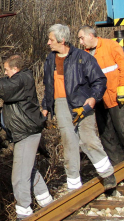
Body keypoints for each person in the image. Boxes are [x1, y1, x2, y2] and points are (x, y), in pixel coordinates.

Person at [41, 24, 116, 191]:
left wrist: (93, 98)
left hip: (81, 103)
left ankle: (107, 173)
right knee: (69, 142)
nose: (48, 43)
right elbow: (49, 85)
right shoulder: (49, 59)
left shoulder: (83, 57)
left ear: (62, 40)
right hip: (60, 104)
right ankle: (74, 183)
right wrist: (46, 105)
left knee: (88, 139)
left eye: (51, 39)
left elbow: (99, 81)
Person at [0, 55, 52, 219]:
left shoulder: (20, 80)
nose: (5, 73)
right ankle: (46, 201)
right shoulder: (21, 79)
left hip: (26, 133)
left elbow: (2, 87)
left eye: (6, 70)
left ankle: (24, 211)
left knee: (19, 176)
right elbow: (2, 87)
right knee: (28, 169)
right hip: (27, 132)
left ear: (15, 69)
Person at [77, 26, 124, 183]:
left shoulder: (111, 46)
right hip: (100, 101)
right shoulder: (84, 55)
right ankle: (120, 168)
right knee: (107, 136)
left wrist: (123, 88)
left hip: (119, 97)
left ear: (91, 36)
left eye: (81, 38)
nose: (80, 41)